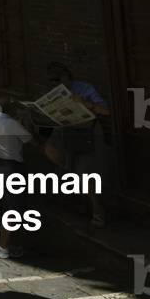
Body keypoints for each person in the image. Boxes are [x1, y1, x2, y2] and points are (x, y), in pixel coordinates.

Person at [42, 61, 111, 227]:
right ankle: (79, 199)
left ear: (67, 77)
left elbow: (106, 111)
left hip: (86, 133)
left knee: (85, 173)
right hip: (66, 131)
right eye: (53, 82)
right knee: (56, 155)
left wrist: (86, 104)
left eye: (59, 80)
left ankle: (98, 210)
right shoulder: (56, 92)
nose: (57, 84)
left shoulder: (84, 88)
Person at [0, 98, 33, 259]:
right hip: (11, 167)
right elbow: (29, 139)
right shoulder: (13, 124)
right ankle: (3, 246)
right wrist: (25, 121)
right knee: (12, 207)